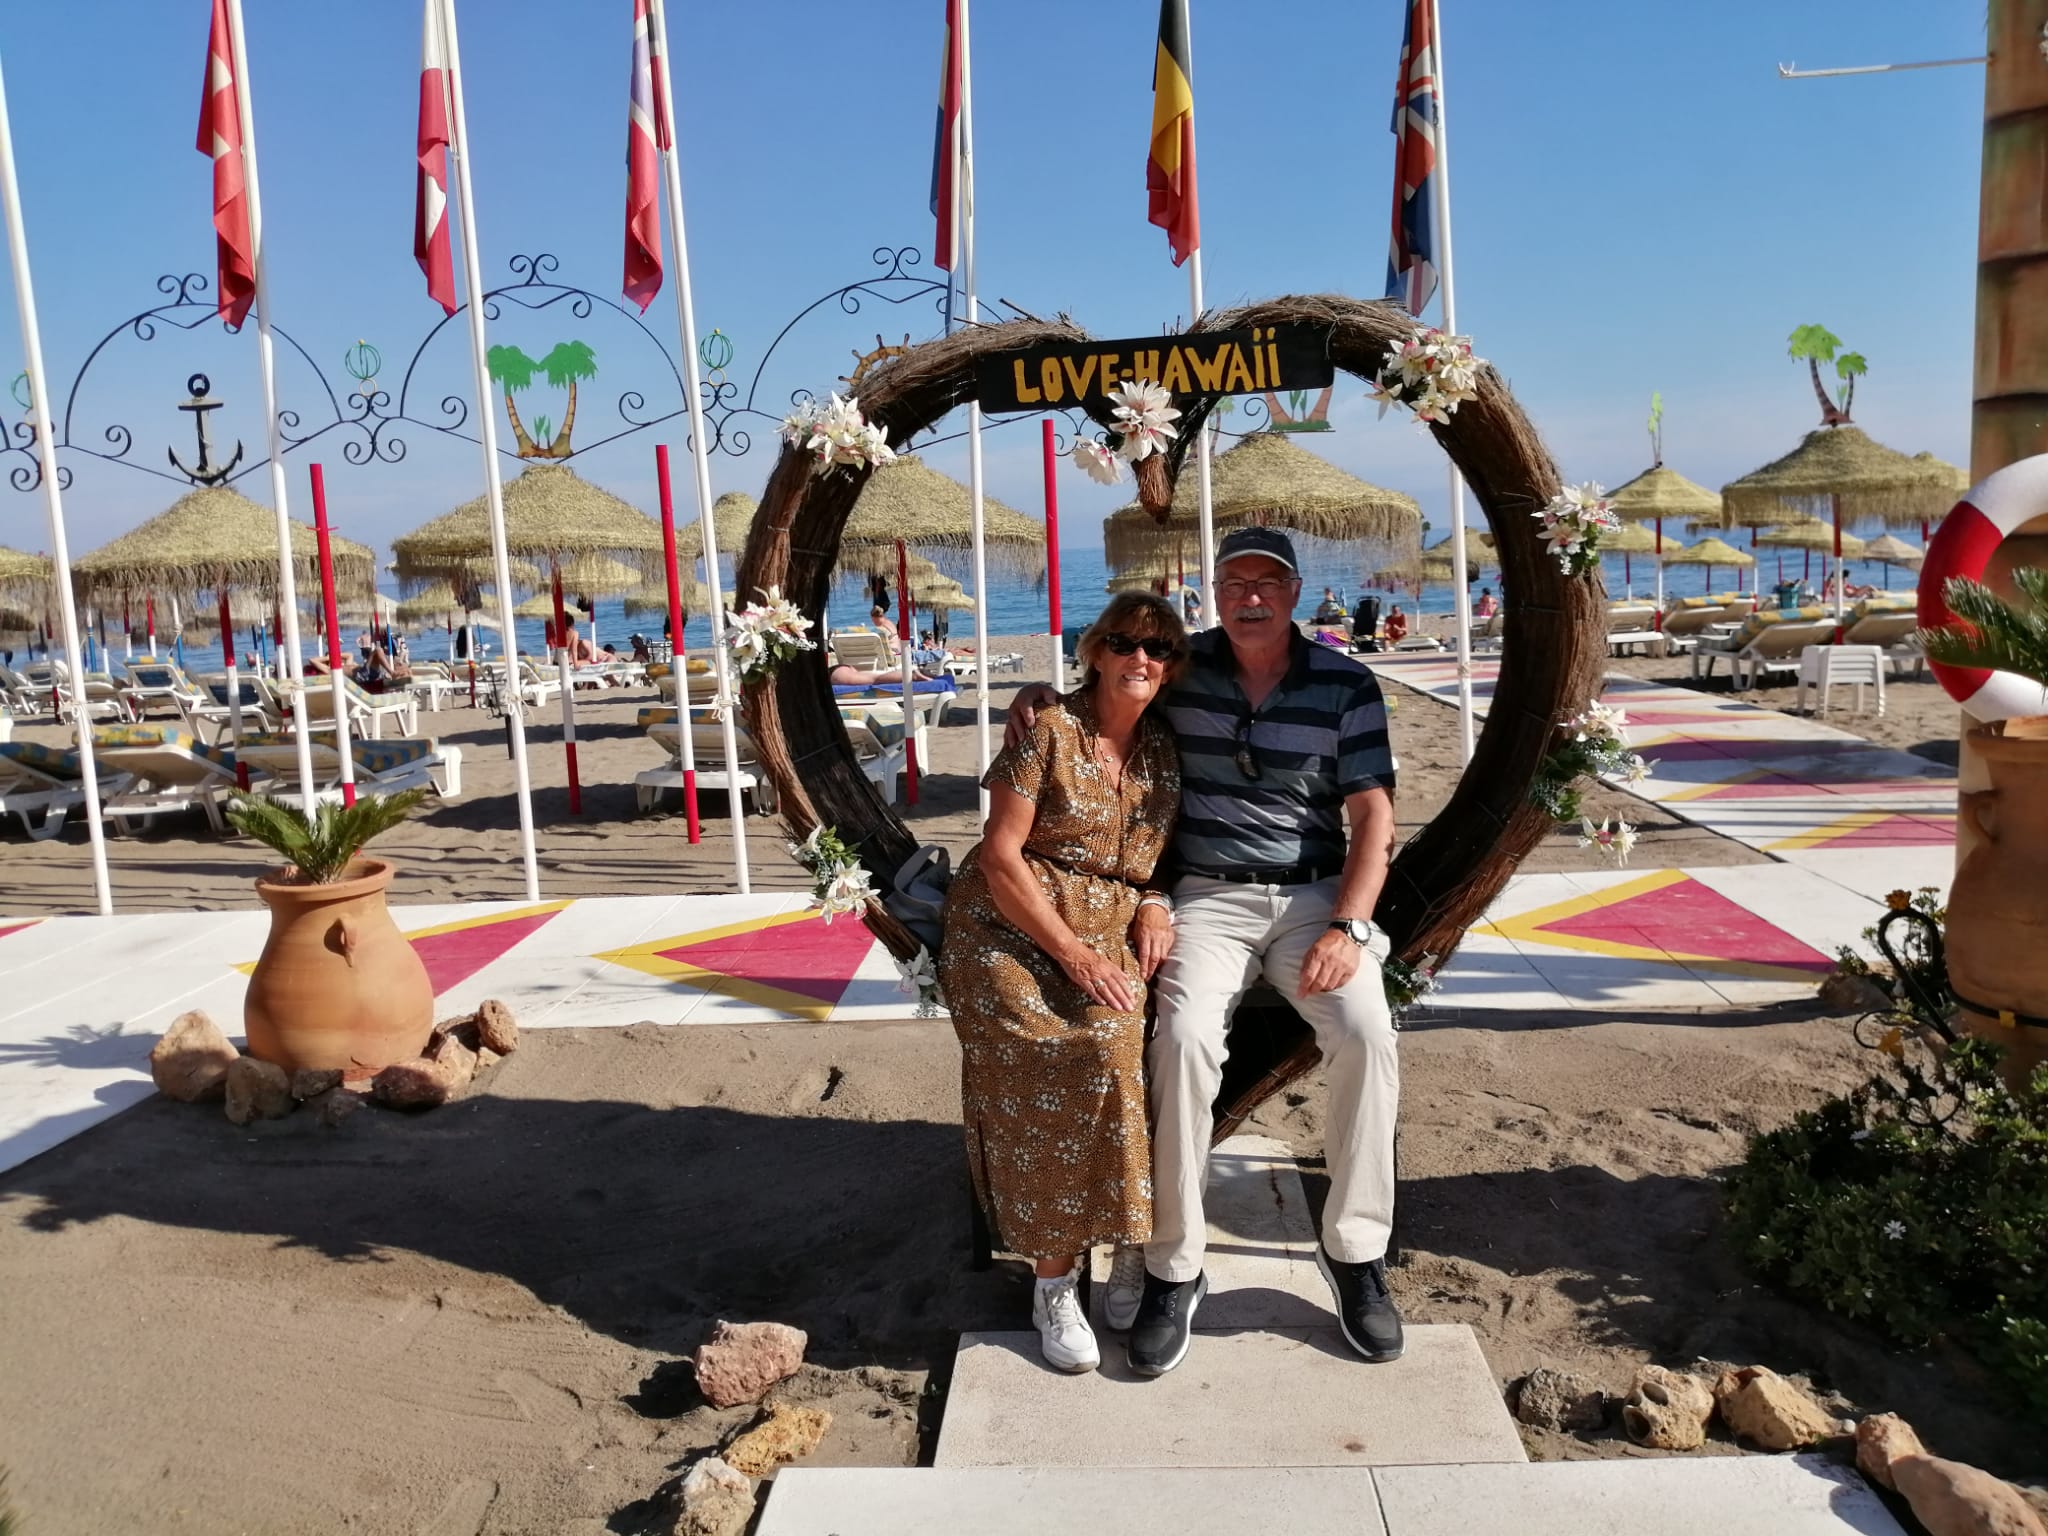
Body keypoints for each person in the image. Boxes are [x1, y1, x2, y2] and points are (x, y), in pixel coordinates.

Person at [1007, 527, 1404, 1375]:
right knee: (1182, 1041)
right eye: (1235, 583)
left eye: (1268, 582)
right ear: (1215, 594)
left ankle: (1356, 1252)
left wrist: (1348, 926)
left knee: (1368, 1032)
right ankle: (1174, 1266)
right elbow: (1108, 694)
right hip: (1206, 896)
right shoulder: (1185, 668)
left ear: (1295, 592)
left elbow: (1375, 816)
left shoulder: (1346, 683)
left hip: (1313, 897)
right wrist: (1041, 695)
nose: (1251, 597)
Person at [941, 592, 1186, 1373]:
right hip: (1009, 920)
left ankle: (1127, 1241)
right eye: (1125, 642)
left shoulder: (1165, 749)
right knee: (1042, 1052)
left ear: (1171, 666)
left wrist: (1154, 899)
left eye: (1157, 648)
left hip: (1110, 918)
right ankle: (1054, 1277)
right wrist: (1075, 957)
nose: (1140, 658)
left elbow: (1173, 853)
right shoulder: (1049, 729)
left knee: (1114, 1044)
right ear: (1095, 652)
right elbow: (999, 854)